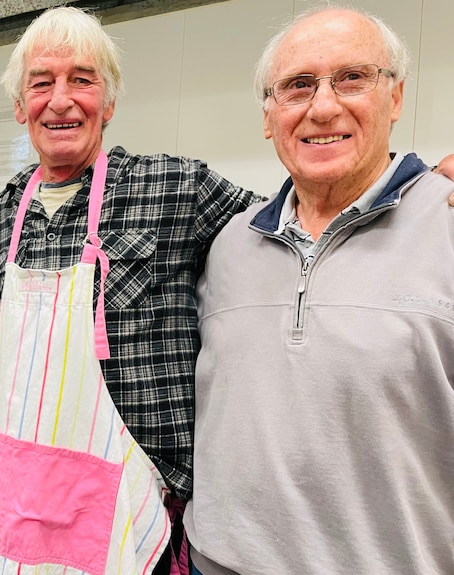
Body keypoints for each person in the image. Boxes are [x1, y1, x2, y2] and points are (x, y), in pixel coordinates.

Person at [0, 8, 454, 575]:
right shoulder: (8, 208)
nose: (62, 100)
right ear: (20, 105)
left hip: (130, 495)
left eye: (82, 80)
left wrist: (424, 189)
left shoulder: (174, 185)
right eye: (41, 83)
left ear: (108, 104)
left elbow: (294, 220)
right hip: (15, 491)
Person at [186, 7, 454, 574]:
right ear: (268, 114)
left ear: (396, 97)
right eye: (297, 86)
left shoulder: (447, 224)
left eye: (353, 78)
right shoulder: (230, 241)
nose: (324, 106)